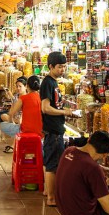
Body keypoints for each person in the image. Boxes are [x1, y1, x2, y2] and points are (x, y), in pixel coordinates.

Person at [40, 51, 74, 207]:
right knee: (53, 165)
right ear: (51, 66)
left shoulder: (53, 82)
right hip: (53, 129)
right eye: (60, 67)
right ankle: (51, 198)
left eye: (64, 67)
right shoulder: (47, 83)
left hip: (55, 128)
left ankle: (48, 191)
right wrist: (65, 112)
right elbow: (45, 108)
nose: (62, 70)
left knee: (51, 163)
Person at [0, 76, 43, 153]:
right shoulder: (42, 98)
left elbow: (11, 113)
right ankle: (15, 145)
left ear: (27, 86)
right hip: (40, 131)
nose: (18, 88)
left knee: (3, 125)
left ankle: (16, 145)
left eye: (20, 86)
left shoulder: (24, 98)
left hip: (25, 130)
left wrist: (11, 119)